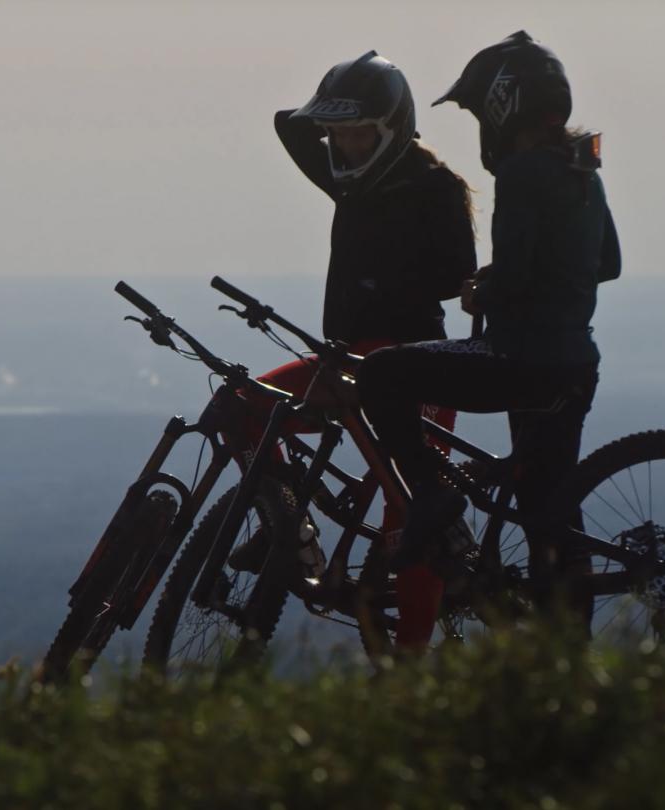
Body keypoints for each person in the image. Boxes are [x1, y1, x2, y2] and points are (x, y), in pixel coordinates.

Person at [356, 32, 622, 618]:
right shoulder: (582, 170)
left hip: (518, 361)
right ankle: (568, 652)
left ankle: (429, 493)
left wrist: (486, 287)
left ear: (505, 105)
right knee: (548, 514)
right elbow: (609, 264)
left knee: (381, 374)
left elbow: (520, 276)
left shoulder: (523, 172)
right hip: (575, 364)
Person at [229, 51, 478, 649]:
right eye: (336, 136)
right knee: (242, 406)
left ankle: (409, 667)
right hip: (346, 361)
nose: (345, 147)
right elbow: (287, 123)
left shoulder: (435, 187)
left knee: (408, 522)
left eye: (358, 133)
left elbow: (457, 276)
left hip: (416, 364)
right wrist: (336, 105)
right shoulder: (348, 179)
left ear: (391, 129)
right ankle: (291, 530)